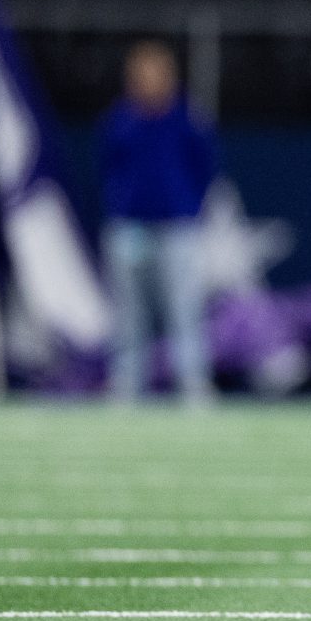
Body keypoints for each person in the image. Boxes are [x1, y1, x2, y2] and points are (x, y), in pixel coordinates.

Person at [100, 41, 218, 404]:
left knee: (184, 308)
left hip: (177, 229)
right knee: (129, 312)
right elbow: (107, 167)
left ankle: (192, 382)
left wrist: (189, 207)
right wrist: (121, 208)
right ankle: (127, 382)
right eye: (142, 74)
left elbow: (206, 166)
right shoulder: (120, 120)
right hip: (130, 229)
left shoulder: (187, 119)